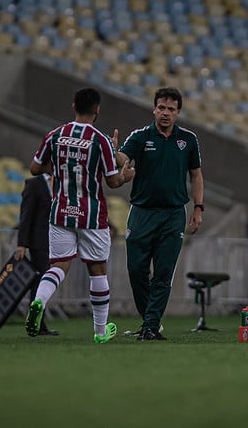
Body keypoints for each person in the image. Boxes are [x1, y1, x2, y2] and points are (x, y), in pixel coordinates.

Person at [17, 87, 135, 344]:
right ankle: (100, 332)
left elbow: (35, 167)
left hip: (60, 212)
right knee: (97, 270)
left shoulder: (55, 135)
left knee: (58, 266)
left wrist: (62, 166)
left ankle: (39, 300)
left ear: (73, 106)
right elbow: (113, 182)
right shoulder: (100, 140)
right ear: (97, 110)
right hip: (91, 216)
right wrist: (126, 176)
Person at [114, 87, 204, 341]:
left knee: (163, 273)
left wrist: (198, 208)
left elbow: (196, 175)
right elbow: (124, 156)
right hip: (142, 212)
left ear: (178, 113)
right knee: (136, 270)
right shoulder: (141, 137)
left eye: (171, 109)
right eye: (161, 108)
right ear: (154, 109)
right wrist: (114, 152)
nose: (165, 113)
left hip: (173, 214)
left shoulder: (188, 140)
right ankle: (150, 320)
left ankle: (151, 326)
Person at [14, 174, 58, 335]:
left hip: (55, 240)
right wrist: (22, 243)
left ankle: (39, 322)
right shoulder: (34, 184)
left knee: (43, 280)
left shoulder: (61, 181)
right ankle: (38, 323)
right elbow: (26, 214)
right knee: (41, 280)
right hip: (39, 241)